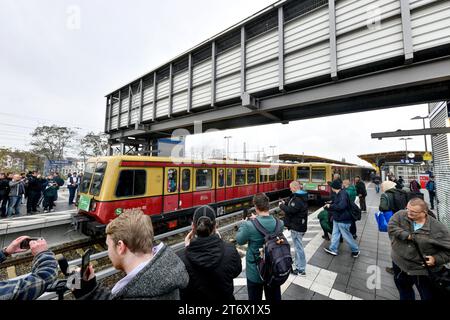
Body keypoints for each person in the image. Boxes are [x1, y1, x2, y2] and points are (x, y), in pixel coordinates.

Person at [72, 211, 189, 300]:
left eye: (108, 245)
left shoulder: (138, 292)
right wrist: (91, 289)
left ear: (120, 247)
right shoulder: (166, 273)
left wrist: (82, 292)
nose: (108, 251)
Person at [388, 198, 450, 300]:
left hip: (421, 271)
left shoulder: (438, 229)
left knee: (427, 296)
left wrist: (436, 259)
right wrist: (406, 235)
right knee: (404, 290)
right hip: (399, 264)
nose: (408, 213)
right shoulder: (400, 215)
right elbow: (391, 227)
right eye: (408, 209)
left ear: (424, 212)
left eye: (413, 212)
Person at [179, 205, 242, 301]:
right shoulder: (230, 251)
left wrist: (188, 249)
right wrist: (221, 243)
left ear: (193, 226)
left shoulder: (182, 259)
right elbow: (236, 271)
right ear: (215, 226)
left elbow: (181, 285)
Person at [236, 193, 283, 301]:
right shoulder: (279, 223)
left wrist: (244, 224)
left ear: (256, 207)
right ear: (268, 206)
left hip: (255, 271)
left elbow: (240, 240)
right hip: (274, 269)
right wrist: (257, 218)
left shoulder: (249, 226)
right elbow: (266, 224)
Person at [323, 180, 360, 258]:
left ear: (334, 187)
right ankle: (333, 249)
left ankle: (355, 250)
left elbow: (342, 206)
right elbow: (338, 203)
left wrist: (331, 206)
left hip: (343, 219)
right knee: (335, 234)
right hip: (338, 218)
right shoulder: (340, 193)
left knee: (347, 236)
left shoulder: (342, 194)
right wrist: (331, 203)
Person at [279, 181, 308, 276]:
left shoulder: (298, 199)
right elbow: (292, 204)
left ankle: (301, 269)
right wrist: (286, 202)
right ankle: (298, 265)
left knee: (299, 248)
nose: (290, 189)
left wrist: (282, 206)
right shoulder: (299, 197)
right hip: (299, 225)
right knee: (297, 247)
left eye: (291, 187)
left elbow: (291, 210)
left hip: (297, 226)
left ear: (295, 188)